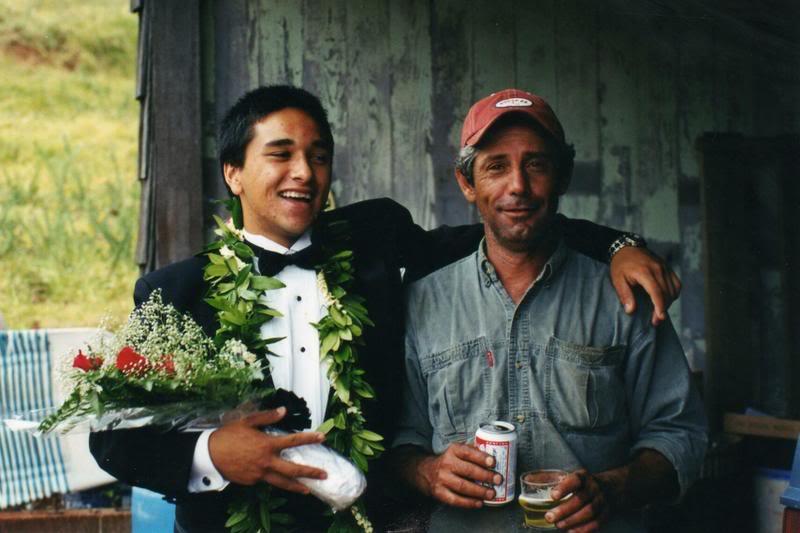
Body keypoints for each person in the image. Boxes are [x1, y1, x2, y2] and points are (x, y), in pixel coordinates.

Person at [90, 86, 681, 532]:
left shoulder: (373, 239)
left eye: (318, 156)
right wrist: (212, 453)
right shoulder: (175, 294)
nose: (303, 172)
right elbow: (114, 440)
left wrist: (616, 246)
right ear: (234, 172)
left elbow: (510, 221)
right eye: (281, 154)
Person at [391, 89, 707, 532]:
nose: (518, 185)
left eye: (536, 164)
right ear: (467, 184)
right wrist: (426, 471)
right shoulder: (423, 301)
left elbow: (681, 436)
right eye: (495, 166)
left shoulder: (623, 297)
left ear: (561, 177)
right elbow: (399, 437)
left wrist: (612, 489)